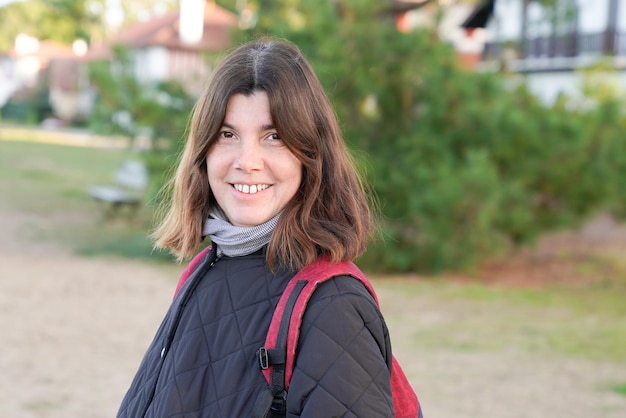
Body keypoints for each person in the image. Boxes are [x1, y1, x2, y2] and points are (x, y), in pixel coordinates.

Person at [117, 38, 398, 417]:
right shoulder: (205, 270)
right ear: (203, 151)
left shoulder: (335, 306)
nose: (247, 161)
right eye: (227, 134)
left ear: (311, 156)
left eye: (274, 137)